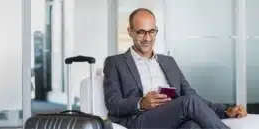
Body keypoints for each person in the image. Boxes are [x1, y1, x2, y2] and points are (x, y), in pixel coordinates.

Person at [103, 8, 247, 129]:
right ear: (130, 31)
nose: (147, 38)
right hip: (139, 120)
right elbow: (113, 103)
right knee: (187, 102)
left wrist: (225, 111)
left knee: (192, 126)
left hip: (172, 117)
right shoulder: (115, 63)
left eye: (152, 31)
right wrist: (142, 103)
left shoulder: (168, 62)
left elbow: (192, 95)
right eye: (141, 32)